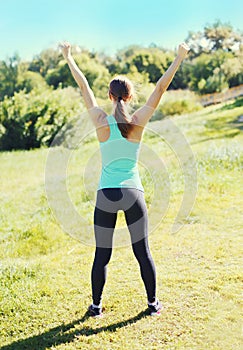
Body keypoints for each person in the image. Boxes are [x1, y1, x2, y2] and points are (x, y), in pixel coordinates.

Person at [60, 41, 190, 317]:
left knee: (102, 255)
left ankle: (95, 307)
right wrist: (178, 58)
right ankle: (153, 305)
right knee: (142, 252)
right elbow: (159, 89)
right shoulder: (138, 122)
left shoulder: (99, 119)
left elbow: (84, 88)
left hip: (106, 194)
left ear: (110, 96)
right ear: (130, 97)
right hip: (133, 192)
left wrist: (68, 57)